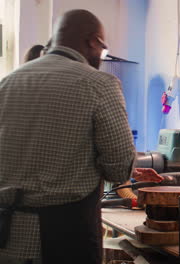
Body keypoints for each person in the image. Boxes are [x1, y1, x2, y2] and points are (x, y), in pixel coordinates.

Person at [0, 9, 162, 264]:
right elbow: (118, 168)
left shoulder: (7, 83)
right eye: (103, 49)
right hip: (64, 237)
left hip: (8, 237)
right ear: (93, 42)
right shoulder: (99, 84)